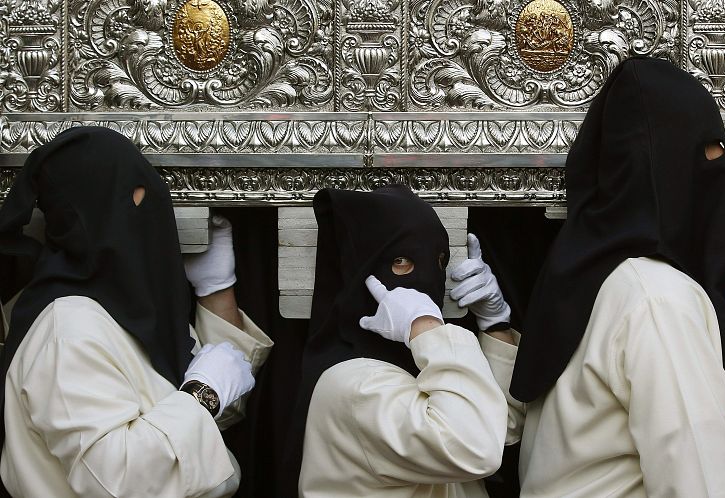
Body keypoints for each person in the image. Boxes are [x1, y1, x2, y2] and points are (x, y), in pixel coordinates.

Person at [454, 57, 725, 497]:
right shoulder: (659, 300)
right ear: (666, 162)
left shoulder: (591, 279)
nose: (720, 163)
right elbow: (698, 485)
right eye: (709, 146)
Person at [0, 127, 273, 497]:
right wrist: (203, 393)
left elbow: (213, 413)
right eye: (144, 195)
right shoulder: (69, 331)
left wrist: (216, 287)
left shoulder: (122, 314)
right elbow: (119, 482)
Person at [282, 185, 509, 498]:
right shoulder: (357, 386)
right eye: (401, 261)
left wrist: (496, 324)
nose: (429, 277)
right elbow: (477, 446)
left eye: (440, 261)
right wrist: (425, 324)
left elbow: (502, 427)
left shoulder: (415, 361)